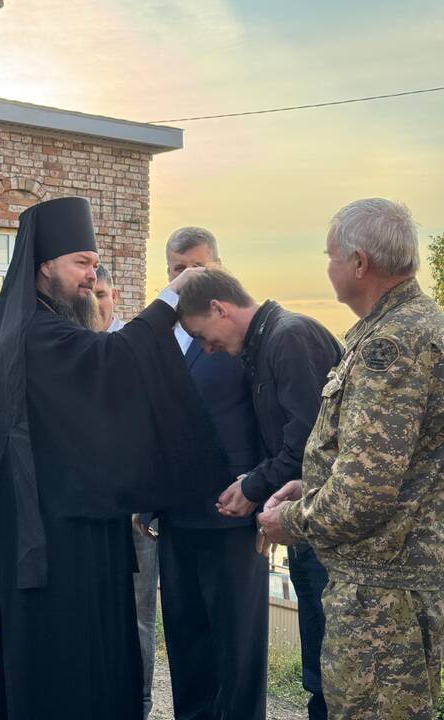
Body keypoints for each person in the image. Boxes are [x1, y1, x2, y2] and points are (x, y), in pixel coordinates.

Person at [0, 197, 229, 720]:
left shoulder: (44, 326)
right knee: (67, 669)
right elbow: (112, 360)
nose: (92, 275)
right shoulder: (36, 332)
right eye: (82, 263)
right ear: (45, 265)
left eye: (95, 263)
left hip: (73, 521)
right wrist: (171, 297)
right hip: (52, 539)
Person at [258, 198, 444, 720]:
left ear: (359, 263)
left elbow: (365, 491)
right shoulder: (402, 327)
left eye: (330, 256)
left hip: (382, 597)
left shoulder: (395, 344)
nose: (328, 267)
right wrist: (311, 487)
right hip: (386, 586)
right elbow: (387, 463)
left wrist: (291, 520)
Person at [178, 267, 342, 720]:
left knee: (331, 673)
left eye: (203, 335)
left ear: (219, 308)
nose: (207, 348)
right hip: (304, 520)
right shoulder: (265, 344)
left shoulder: (289, 337)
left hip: (328, 527)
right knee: (319, 670)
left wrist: (252, 486)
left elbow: (307, 444)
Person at [139, 227, 269, 720]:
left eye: (198, 267)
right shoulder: (155, 335)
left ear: (219, 266)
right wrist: (149, 500)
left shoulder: (246, 336)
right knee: (187, 642)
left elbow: (267, 423)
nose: (188, 277)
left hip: (233, 517)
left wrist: (264, 495)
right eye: (178, 269)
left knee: (236, 648)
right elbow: (151, 425)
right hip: (176, 518)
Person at [95, 262, 158, 720]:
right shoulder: (73, 348)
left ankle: (138, 704)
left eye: (101, 294)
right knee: (92, 611)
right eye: (87, 294)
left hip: (134, 505)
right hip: (88, 506)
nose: (94, 302)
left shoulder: (137, 350)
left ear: (115, 297)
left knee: (137, 612)